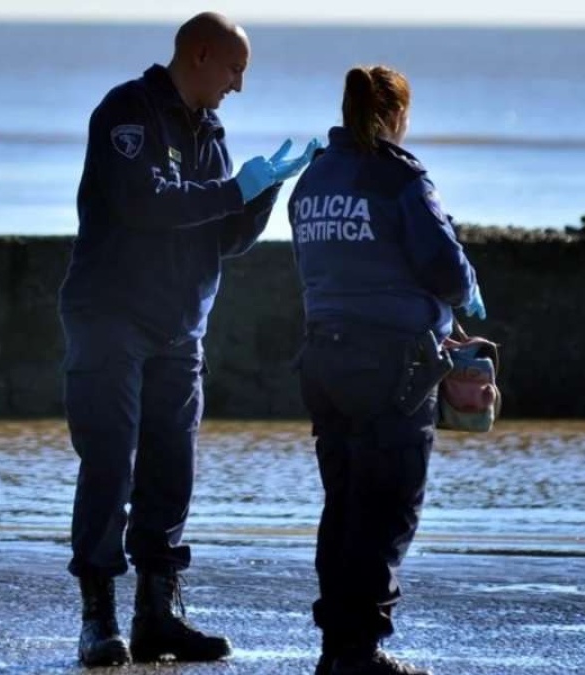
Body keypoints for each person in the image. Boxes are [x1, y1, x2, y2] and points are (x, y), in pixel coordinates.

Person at [58, 11, 320, 668]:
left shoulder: (213, 133)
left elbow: (222, 236)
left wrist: (261, 194)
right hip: (110, 317)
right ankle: (99, 618)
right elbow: (149, 205)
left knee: (172, 471)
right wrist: (236, 188)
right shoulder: (128, 111)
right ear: (201, 55)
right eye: (236, 69)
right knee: (110, 461)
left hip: (181, 328)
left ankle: (159, 615)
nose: (239, 85)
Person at [286, 65, 486, 675]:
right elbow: (444, 267)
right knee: (389, 504)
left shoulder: (314, 177)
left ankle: (335, 647)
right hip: (392, 363)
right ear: (396, 115)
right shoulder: (402, 178)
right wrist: (465, 293)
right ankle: (361, 650)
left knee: (343, 503)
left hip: (324, 356)